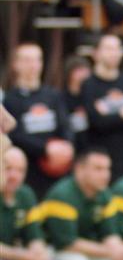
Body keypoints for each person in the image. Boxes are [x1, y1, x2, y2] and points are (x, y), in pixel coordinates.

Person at [3, 43, 74, 199]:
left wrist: (66, 146)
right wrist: (44, 149)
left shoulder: (53, 95)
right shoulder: (10, 99)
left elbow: (66, 125)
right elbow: (14, 134)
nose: (33, 65)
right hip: (29, 170)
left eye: (37, 60)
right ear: (16, 65)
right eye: (27, 60)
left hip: (57, 169)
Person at [80, 35, 123, 181]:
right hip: (100, 158)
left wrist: (110, 116)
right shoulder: (88, 85)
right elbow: (96, 122)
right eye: (108, 48)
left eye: (117, 49)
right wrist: (122, 115)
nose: (113, 53)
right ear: (96, 53)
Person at [63, 55, 92, 153]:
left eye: (86, 70)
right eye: (79, 70)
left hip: (89, 142)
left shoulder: (90, 96)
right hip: (71, 143)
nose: (83, 74)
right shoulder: (61, 98)